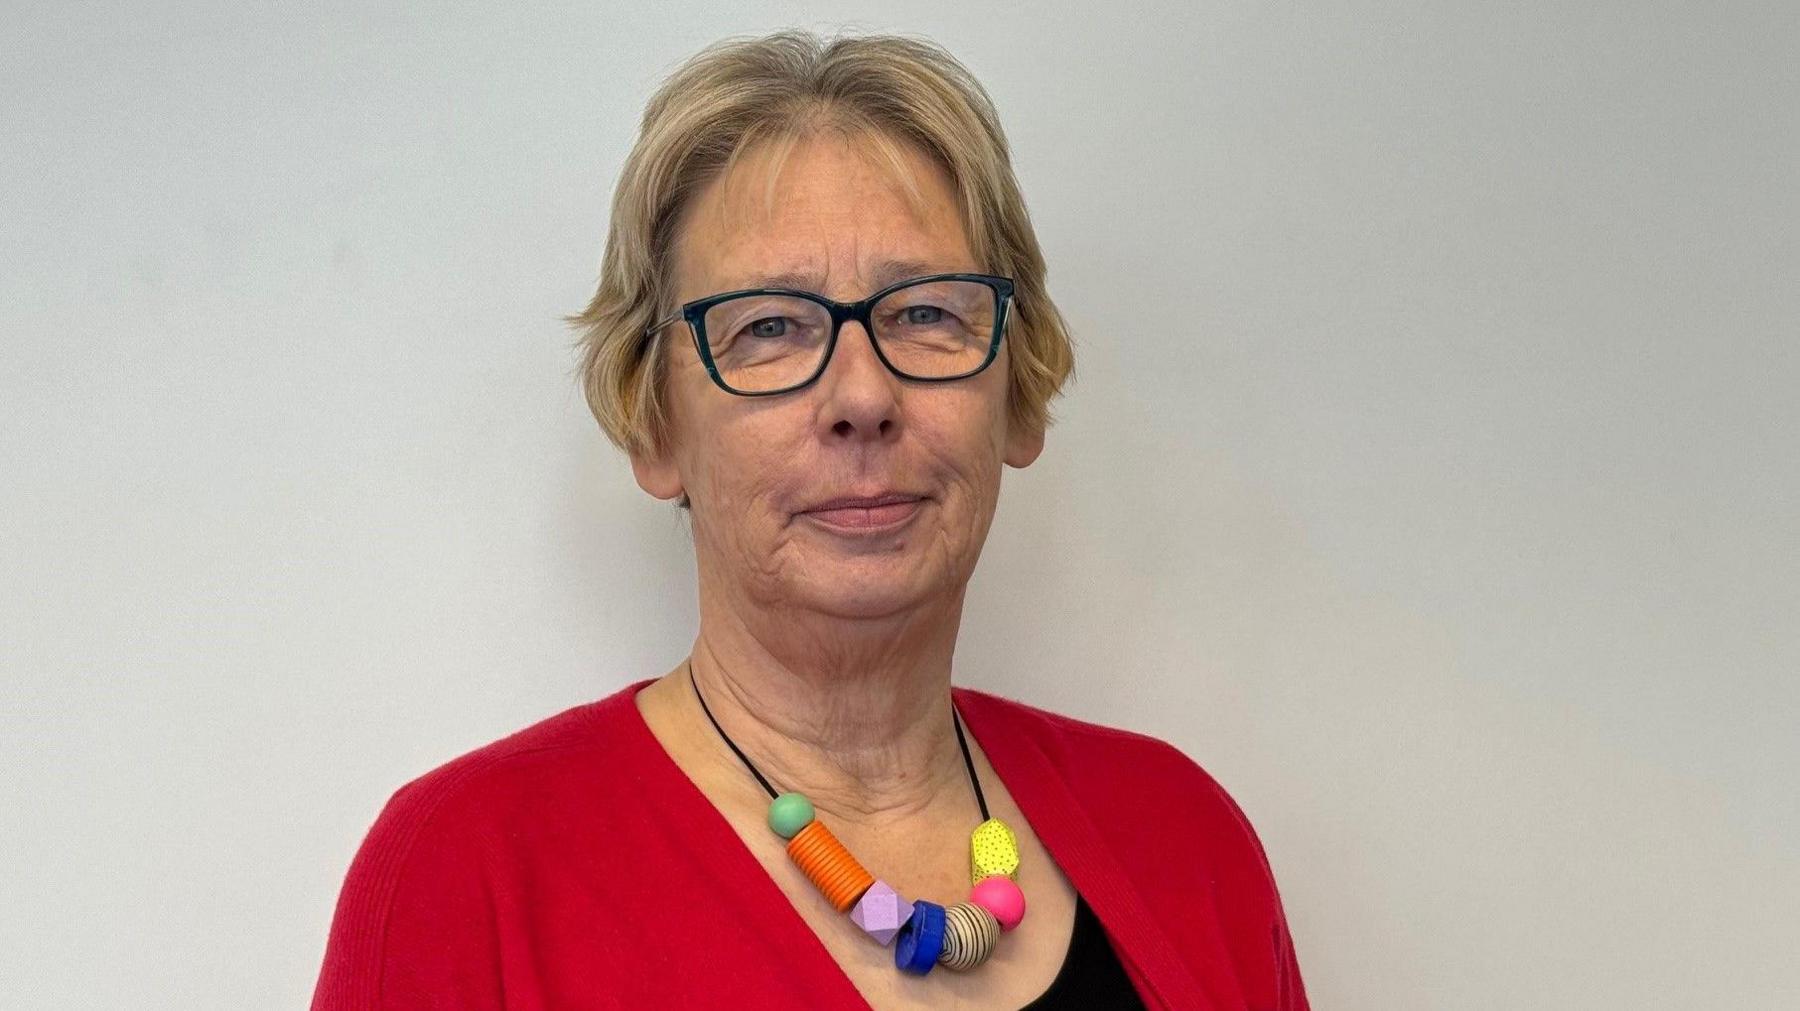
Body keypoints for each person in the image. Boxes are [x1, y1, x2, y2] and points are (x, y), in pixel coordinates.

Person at [311, 29, 1308, 1010]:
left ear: (1019, 389)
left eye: (925, 312)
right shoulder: (467, 872)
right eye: (770, 328)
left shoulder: (1184, 837)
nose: (863, 396)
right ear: (654, 424)